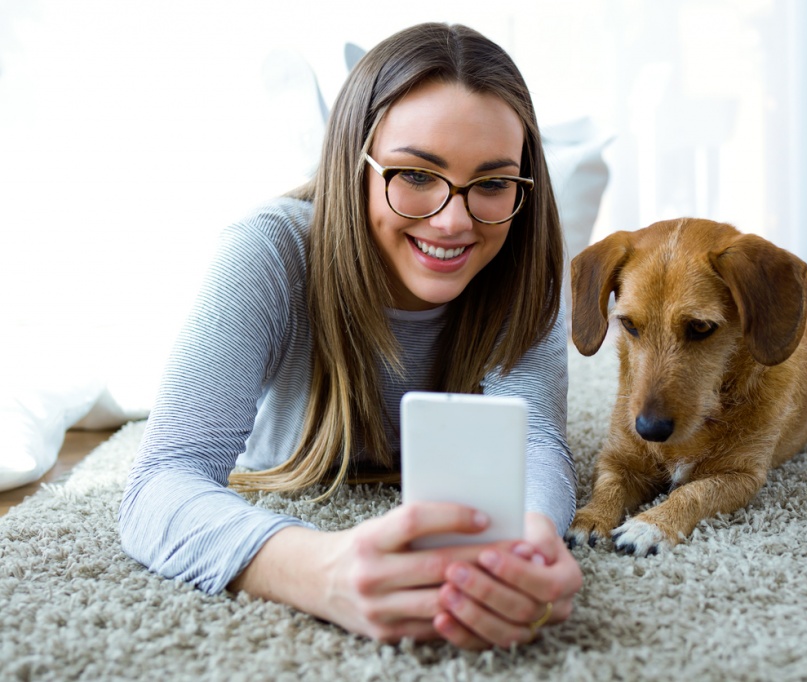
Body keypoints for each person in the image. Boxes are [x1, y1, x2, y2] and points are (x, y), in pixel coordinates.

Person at [118, 22, 582, 650]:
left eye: (493, 183)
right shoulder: (266, 250)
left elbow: (540, 440)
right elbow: (161, 481)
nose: (453, 221)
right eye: (415, 174)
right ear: (356, 166)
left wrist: (530, 542)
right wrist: (322, 571)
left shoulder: (524, 263)